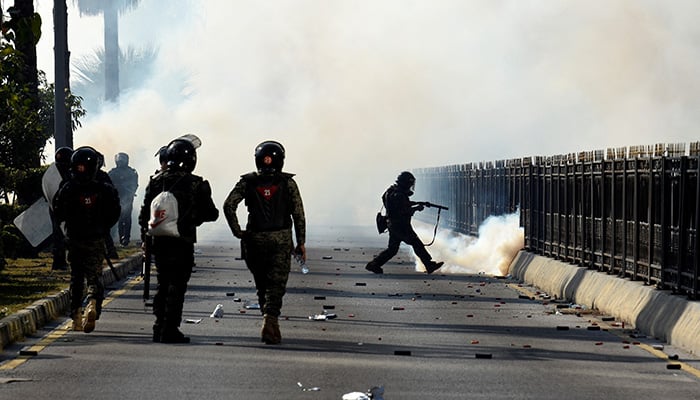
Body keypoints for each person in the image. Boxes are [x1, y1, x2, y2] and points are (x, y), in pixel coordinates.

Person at [223, 140, 306, 345]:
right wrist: (301, 242)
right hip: (281, 239)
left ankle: (269, 321)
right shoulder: (288, 183)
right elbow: (298, 214)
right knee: (276, 285)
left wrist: (237, 231)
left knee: (262, 284)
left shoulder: (247, 182)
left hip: (254, 240)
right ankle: (271, 319)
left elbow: (228, 205)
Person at [138, 138, 219, 344]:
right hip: (182, 242)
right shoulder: (196, 183)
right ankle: (170, 328)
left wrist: (145, 240)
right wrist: (192, 218)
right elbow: (211, 213)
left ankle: (158, 326)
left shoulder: (155, 181)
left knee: (162, 283)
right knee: (177, 285)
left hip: (159, 241)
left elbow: (143, 215)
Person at [53, 146, 121, 333]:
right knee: (94, 277)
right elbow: (115, 212)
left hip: (74, 238)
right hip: (95, 239)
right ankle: (92, 303)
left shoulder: (67, 188)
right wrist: (102, 228)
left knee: (76, 277)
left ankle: (76, 316)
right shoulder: (104, 188)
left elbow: (57, 211)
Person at [365, 171, 444, 275]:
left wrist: (417, 203)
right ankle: (429, 264)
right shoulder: (398, 195)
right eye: (410, 184)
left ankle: (374, 265)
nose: (411, 187)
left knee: (392, 250)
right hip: (401, 226)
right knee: (416, 243)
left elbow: (400, 205)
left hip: (393, 225)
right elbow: (403, 211)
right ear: (405, 183)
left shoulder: (391, 191)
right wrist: (416, 208)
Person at [42, 147, 73, 270]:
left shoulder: (53, 172)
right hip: (61, 207)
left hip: (56, 207)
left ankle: (60, 261)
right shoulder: (65, 172)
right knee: (63, 235)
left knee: (59, 234)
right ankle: (60, 261)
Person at [108, 152, 139, 246]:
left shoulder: (131, 172)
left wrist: (130, 191)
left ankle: (126, 238)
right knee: (116, 218)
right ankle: (115, 237)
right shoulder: (112, 172)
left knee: (126, 218)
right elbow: (108, 184)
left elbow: (134, 184)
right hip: (116, 198)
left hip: (127, 197)